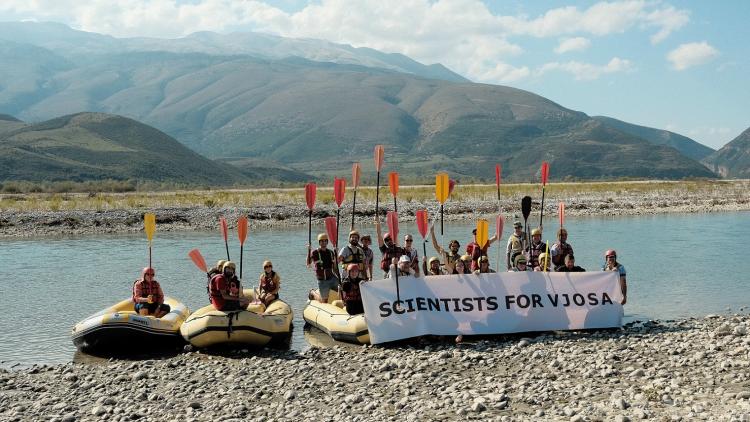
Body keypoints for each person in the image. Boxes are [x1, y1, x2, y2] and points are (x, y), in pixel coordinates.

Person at [307, 233, 339, 303]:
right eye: (322, 241)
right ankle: (312, 292)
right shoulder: (315, 252)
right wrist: (308, 251)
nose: (324, 242)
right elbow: (308, 263)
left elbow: (335, 268)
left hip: (332, 278)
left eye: (325, 241)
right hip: (322, 280)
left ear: (327, 242)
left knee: (341, 290)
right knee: (324, 302)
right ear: (319, 242)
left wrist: (339, 278)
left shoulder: (331, 252)